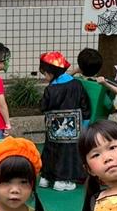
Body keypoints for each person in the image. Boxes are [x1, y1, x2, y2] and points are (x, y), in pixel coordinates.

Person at [39, 51, 90, 191]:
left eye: (45, 73)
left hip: (53, 127)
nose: (45, 76)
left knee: (50, 149)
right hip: (72, 127)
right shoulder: (76, 85)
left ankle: (46, 178)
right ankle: (62, 180)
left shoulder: (50, 88)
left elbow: (43, 107)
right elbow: (85, 105)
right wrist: (86, 123)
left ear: (52, 72)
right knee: (67, 153)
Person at [76, 47, 117, 125]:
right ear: (99, 67)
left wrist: (75, 71)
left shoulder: (76, 80)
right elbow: (108, 105)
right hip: (95, 123)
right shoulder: (99, 85)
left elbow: (64, 78)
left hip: (79, 120)